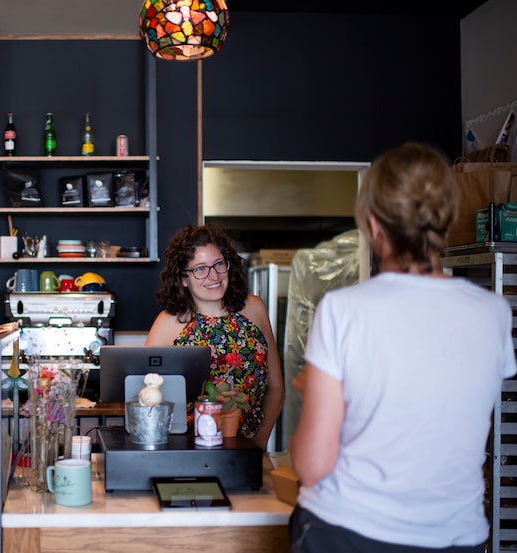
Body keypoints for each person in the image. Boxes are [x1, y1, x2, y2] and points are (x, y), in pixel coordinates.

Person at [289, 142, 516, 552]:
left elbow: (312, 465)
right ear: (445, 218)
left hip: (349, 533)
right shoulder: (494, 312)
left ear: (374, 226)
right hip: (457, 537)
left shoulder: (343, 309)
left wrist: (314, 394)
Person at [146, 223, 284, 449]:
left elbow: (276, 387)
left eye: (219, 264)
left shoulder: (254, 309)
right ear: (183, 278)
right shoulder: (167, 324)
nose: (214, 276)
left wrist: (259, 442)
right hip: (185, 450)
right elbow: (145, 397)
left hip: (248, 448)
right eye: (200, 268)